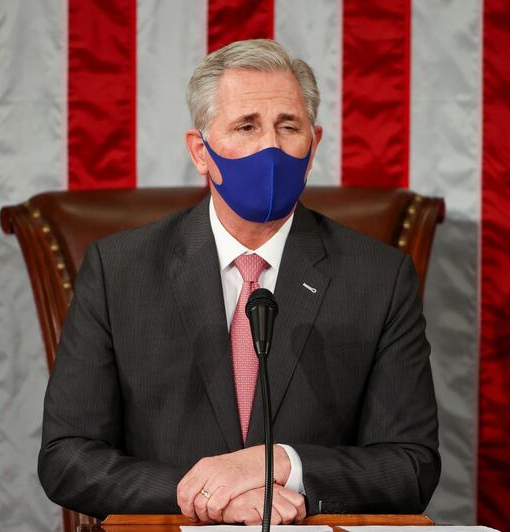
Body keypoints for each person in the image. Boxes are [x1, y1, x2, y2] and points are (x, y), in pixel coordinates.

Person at [38, 39, 439, 525]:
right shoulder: (119, 269)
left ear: (312, 148)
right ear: (200, 152)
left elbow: (411, 467)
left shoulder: (378, 277)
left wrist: (282, 464)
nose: (270, 148)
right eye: (246, 127)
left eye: (288, 127)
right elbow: (67, 457)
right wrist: (212, 495)